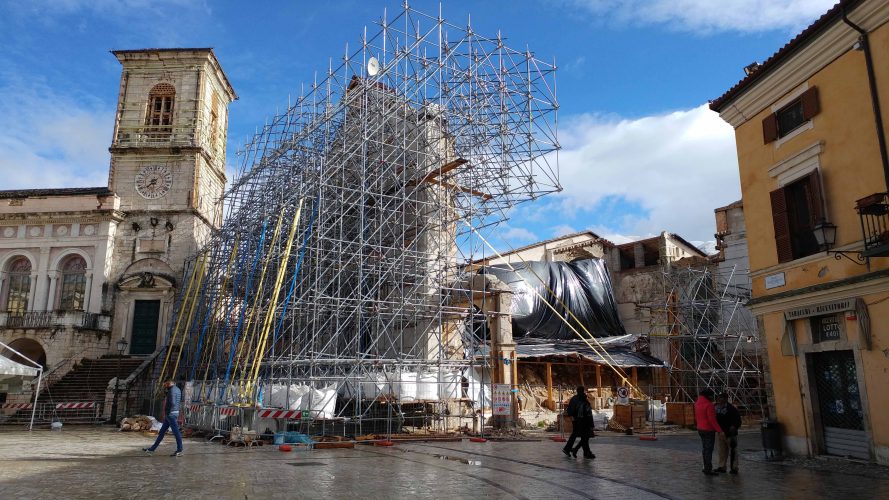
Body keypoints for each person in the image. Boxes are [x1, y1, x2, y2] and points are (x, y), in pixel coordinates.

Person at [143, 380, 183, 457]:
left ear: (168, 383)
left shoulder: (171, 391)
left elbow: (173, 402)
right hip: (173, 413)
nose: (164, 386)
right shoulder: (177, 389)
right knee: (161, 432)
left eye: (165, 384)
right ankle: (152, 449)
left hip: (170, 414)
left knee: (176, 432)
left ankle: (180, 450)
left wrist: (167, 412)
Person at [694, 388, 722, 475]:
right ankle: (708, 469)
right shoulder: (709, 405)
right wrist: (719, 430)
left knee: (705, 449)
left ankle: (705, 466)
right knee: (708, 450)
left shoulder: (697, 403)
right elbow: (712, 420)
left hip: (700, 428)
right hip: (708, 430)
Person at [562, 386, 595, 459]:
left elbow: (569, 410)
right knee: (585, 437)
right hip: (583, 421)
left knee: (577, 435)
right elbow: (588, 413)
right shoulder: (583, 399)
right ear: (583, 391)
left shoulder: (574, 398)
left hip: (575, 420)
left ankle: (584, 452)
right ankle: (579, 451)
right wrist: (591, 424)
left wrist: (572, 416)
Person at [714, 392, 742, 474]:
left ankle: (734, 468)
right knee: (722, 451)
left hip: (730, 434)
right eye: (719, 397)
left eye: (722, 398)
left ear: (726, 399)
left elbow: (738, 421)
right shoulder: (715, 408)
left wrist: (734, 426)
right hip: (720, 432)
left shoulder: (731, 409)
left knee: (733, 451)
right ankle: (722, 466)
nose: (720, 399)